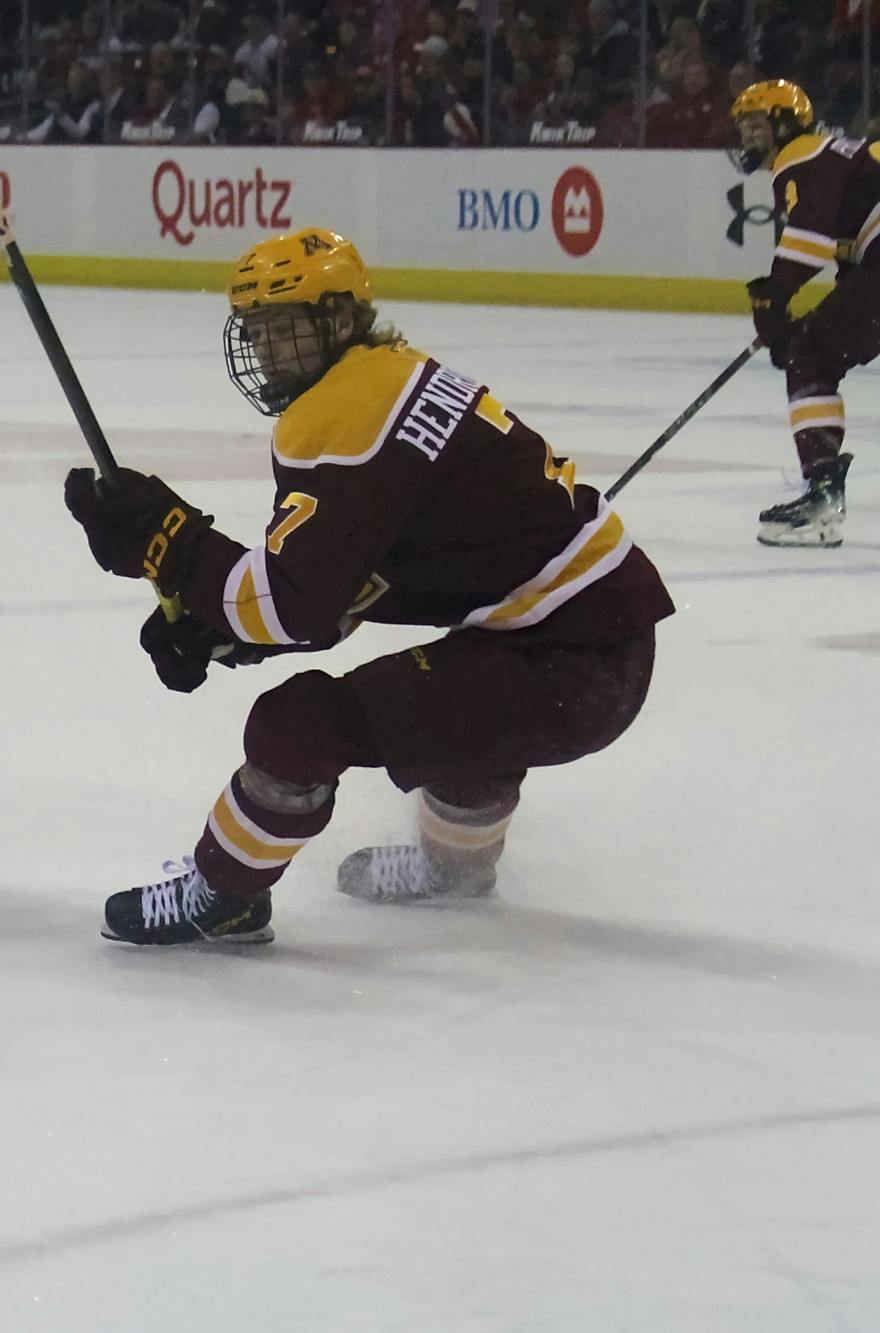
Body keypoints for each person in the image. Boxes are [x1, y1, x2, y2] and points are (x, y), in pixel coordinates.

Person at [62, 228, 672, 946]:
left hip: (572, 661)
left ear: (342, 320)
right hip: (585, 643)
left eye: (284, 330)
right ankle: (459, 872)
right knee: (465, 707)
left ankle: (223, 894)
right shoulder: (388, 376)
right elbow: (351, 582)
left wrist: (170, 543)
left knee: (299, 723)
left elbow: (292, 604)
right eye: (256, 332)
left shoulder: (344, 413)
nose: (265, 351)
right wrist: (221, 623)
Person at [731, 79, 872, 547]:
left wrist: (774, 297)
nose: (748, 136)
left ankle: (823, 497)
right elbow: (849, 259)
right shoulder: (839, 156)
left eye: (756, 124)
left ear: (786, 123)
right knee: (815, 344)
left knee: (810, 355)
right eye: (744, 127)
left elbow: (810, 238)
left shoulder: (801, 154)